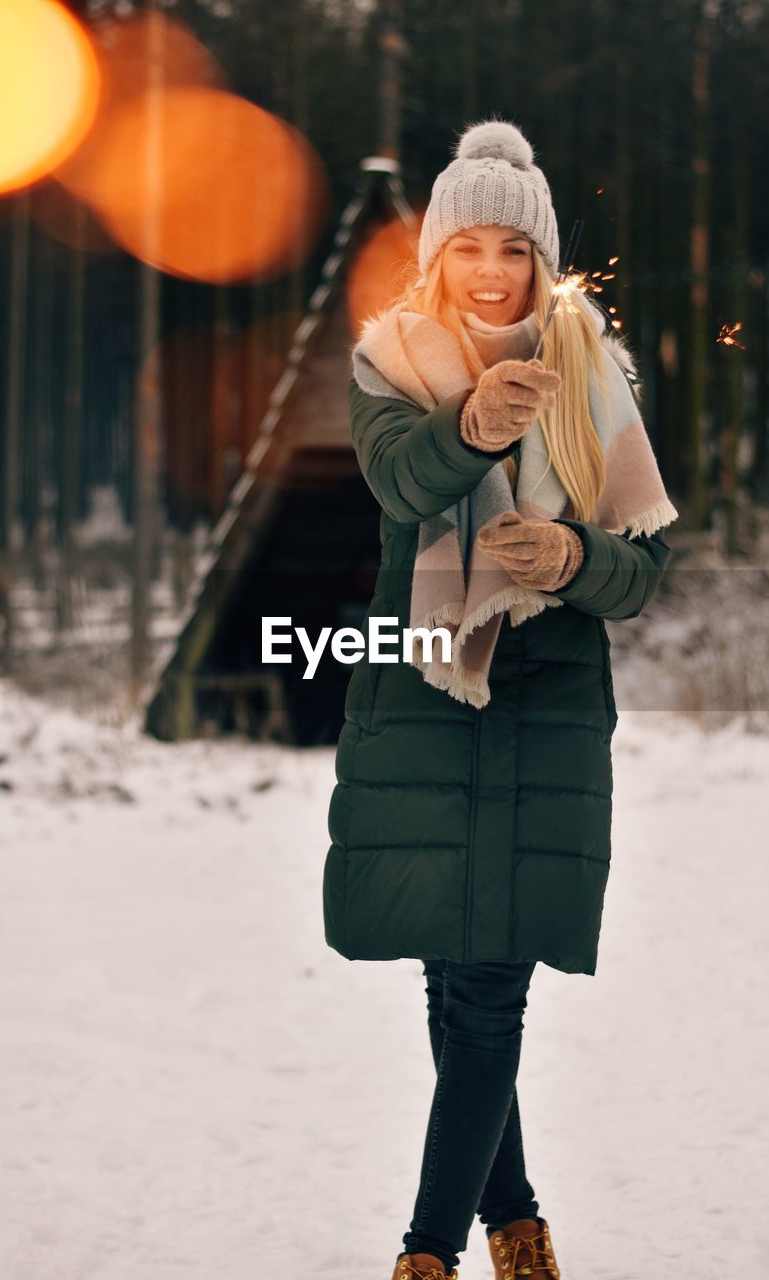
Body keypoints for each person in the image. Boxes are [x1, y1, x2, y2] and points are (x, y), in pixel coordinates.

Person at [321, 120, 679, 1280]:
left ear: (542, 257)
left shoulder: (597, 374)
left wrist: (571, 561)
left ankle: (427, 1254)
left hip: (547, 705)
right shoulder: (391, 360)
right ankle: (516, 1222)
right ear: (437, 255)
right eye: (469, 246)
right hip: (424, 686)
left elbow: (640, 567)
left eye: (513, 250)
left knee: (485, 991)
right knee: (455, 975)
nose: (491, 270)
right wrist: (473, 425)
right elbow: (399, 477)